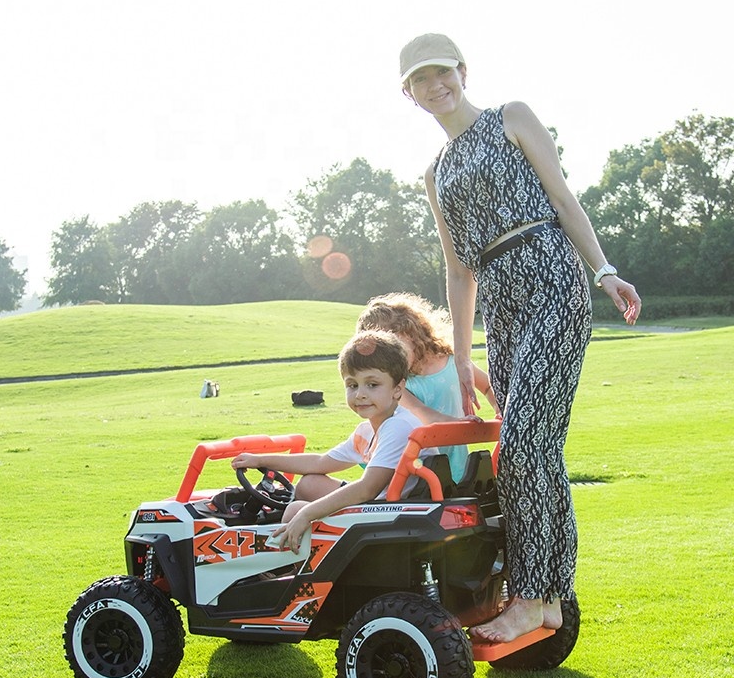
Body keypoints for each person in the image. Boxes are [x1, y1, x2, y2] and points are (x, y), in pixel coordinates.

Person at [399, 32, 641, 643]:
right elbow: (458, 270)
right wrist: (460, 356)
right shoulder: (436, 172)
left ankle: (532, 597)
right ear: (410, 95)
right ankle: (551, 598)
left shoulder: (513, 116)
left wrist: (605, 271)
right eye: (420, 80)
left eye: (441, 73)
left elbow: (562, 198)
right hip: (499, 300)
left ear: (461, 70)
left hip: (550, 270)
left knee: (529, 444)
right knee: (524, 452)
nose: (436, 86)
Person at [231, 330, 437, 553]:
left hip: (393, 513)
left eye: (372, 385)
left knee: (294, 511)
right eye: (352, 385)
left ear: (398, 389)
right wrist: (261, 460)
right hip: (384, 504)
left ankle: (287, 572)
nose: (360, 394)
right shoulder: (368, 430)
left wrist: (306, 514)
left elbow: (367, 489)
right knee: (309, 483)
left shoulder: (399, 426)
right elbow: (320, 462)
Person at [355, 291, 500, 483]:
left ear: (411, 332)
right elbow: (420, 412)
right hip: (418, 465)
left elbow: (489, 387)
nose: (389, 355)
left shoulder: (452, 362)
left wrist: (502, 410)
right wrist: (459, 423)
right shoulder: (399, 383)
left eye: (393, 344)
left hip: (455, 455)